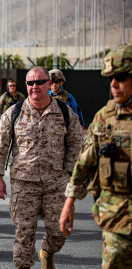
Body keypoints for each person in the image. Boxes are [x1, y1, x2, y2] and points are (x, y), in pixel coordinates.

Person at [0, 66, 82, 269]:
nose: (35, 86)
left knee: (60, 231)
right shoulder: (14, 112)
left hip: (56, 183)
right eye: (30, 82)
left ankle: (47, 251)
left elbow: (76, 141)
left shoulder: (64, 112)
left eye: (40, 82)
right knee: (24, 234)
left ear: (49, 84)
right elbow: (0, 144)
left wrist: (68, 171)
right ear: (26, 85)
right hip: (24, 184)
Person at [59, 44, 132, 268]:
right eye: (110, 78)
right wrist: (69, 203)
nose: (113, 85)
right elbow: (85, 164)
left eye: (120, 77)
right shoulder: (105, 118)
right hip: (117, 218)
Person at [48, 69, 85, 134]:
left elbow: (78, 121)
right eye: (52, 82)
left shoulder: (69, 98)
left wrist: (80, 141)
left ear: (61, 82)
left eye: (57, 82)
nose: (54, 84)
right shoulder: (45, 96)